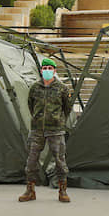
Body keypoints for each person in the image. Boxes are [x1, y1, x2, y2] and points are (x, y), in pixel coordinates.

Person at [19, 58, 74, 203]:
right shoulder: (35, 88)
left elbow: (67, 108)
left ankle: (62, 190)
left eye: (50, 68)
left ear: (55, 71)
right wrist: (38, 119)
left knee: (60, 161)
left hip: (55, 130)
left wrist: (57, 120)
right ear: (41, 70)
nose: (47, 71)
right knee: (31, 161)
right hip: (37, 130)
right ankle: (30, 190)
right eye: (45, 68)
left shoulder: (62, 88)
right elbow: (31, 105)